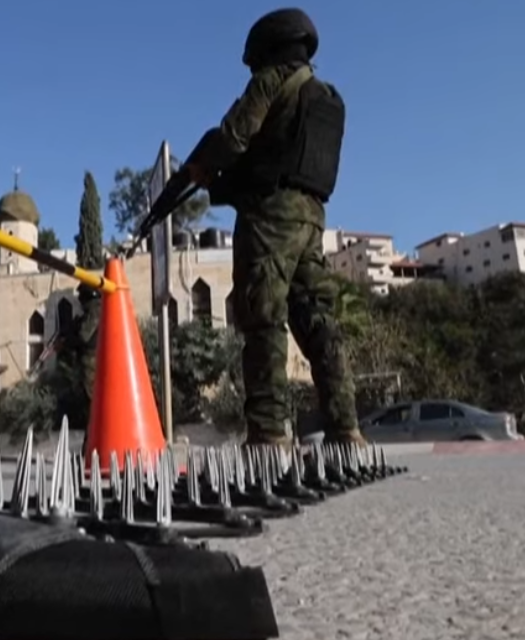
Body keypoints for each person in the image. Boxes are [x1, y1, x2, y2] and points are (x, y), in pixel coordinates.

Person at [181, 7, 366, 446]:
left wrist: (203, 167)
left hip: (271, 217)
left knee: (263, 317)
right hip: (311, 217)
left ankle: (267, 434)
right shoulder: (325, 96)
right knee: (317, 319)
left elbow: (234, 137)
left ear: (267, 49)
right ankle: (346, 428)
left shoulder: (272, 81)